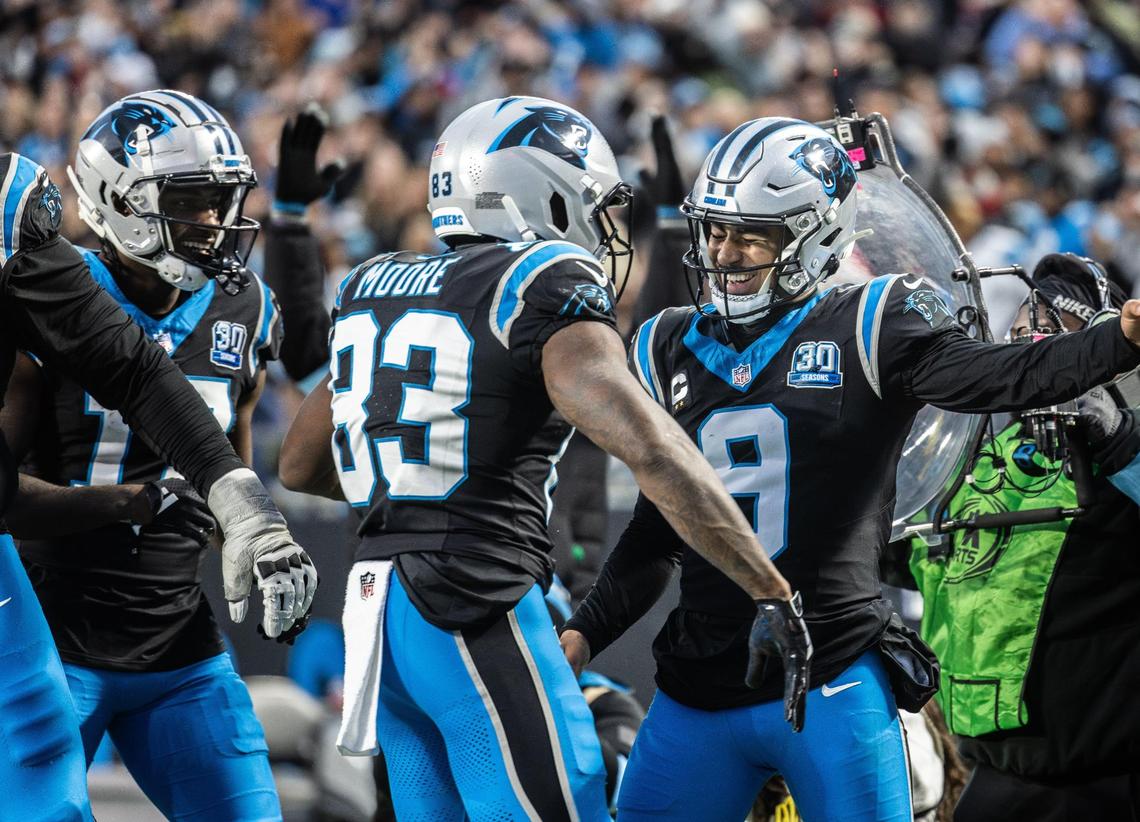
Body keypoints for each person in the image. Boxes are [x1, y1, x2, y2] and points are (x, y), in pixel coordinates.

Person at [558, 116, 1140, 821]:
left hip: (831, 675)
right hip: (697, 684)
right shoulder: (669, 343)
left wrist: (1117, 344)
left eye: (752, 234)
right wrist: (586, 631)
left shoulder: (871, 323)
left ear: (816, 234)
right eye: (715, 229)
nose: (725, 252)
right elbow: (660, 528)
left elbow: (999, 376)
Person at [278, 96, 810, 822]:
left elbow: (302, 465)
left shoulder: (377, 284)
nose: (601, 224)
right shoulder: (541, 279)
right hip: (473, 598)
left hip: (379, 612)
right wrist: (768, 586)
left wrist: (426, 474)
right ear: (542, 193)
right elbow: (652, 449)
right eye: (592, 202)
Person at [0, 91, 299, 819]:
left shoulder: (245, 308)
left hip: (176, 642)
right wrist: (122, 503)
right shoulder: (48, 294)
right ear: (119, 202)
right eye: (192, 201)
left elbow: (221, 443)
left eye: (221, 201)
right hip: (53, 632)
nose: (214, 222)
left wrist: (251, 533)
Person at [904, 253, 1140, 821]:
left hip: (1109, 785)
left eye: (1061, 332)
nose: (1035, 339)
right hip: (991, 779)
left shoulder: (1118, 442)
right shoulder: (960, 456)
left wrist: (1118, 441)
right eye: (1025, 327)